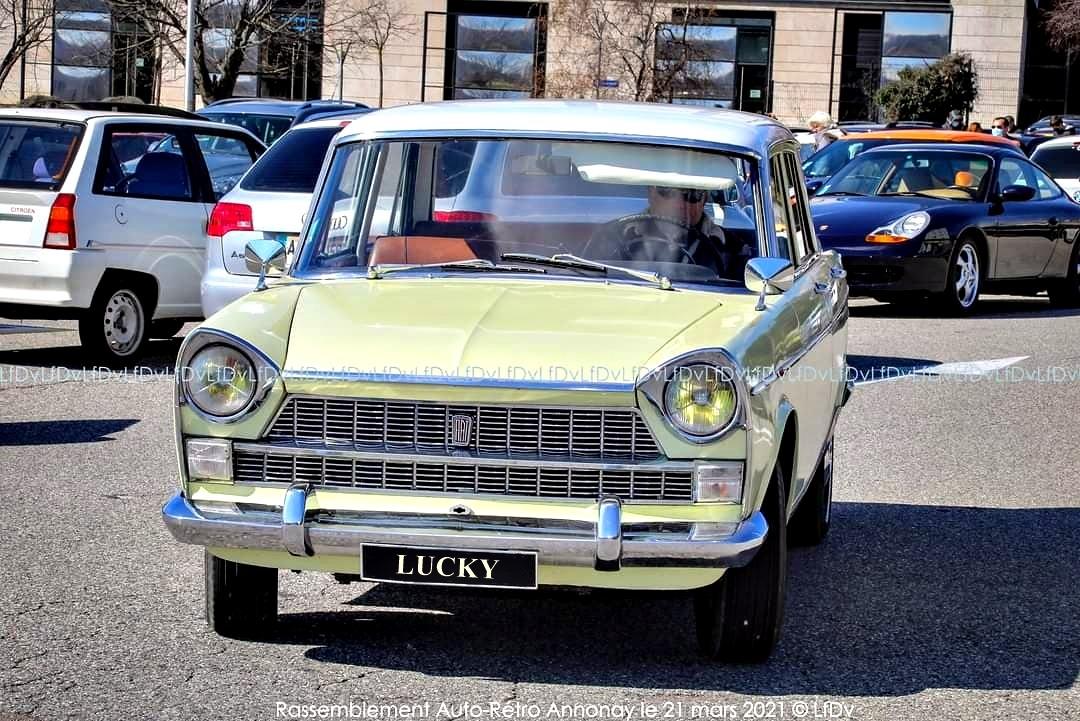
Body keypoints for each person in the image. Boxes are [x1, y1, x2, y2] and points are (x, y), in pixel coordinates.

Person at [588, 185, 752, 280]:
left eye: (692, 194)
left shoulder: (732, 249)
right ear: (651, 193)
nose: (679, 204)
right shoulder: (612, 237)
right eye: (667, 191)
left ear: (704, 199)